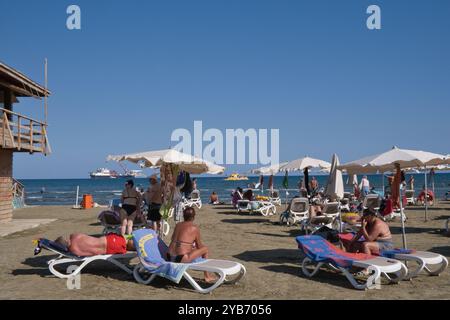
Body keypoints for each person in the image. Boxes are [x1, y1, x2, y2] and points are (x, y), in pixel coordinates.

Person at [167, 207, 217, 283]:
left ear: (183, 216)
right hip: (181, 258)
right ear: (194, 216)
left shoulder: (178, 225)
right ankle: (207, 276)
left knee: (192, 249)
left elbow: (173, 239)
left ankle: (207, 275)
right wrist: (193, 247)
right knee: (205, 249)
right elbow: (199, 246)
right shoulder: (194, 228)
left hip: (169, 256)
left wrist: (189, 246)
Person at [54, 233, 135, 257]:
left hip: (108, 249)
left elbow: (85, 254)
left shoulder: (74, 251)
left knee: (128, 245)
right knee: (127, 241)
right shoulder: (74, 236)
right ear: (66, 240)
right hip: (107, 240)